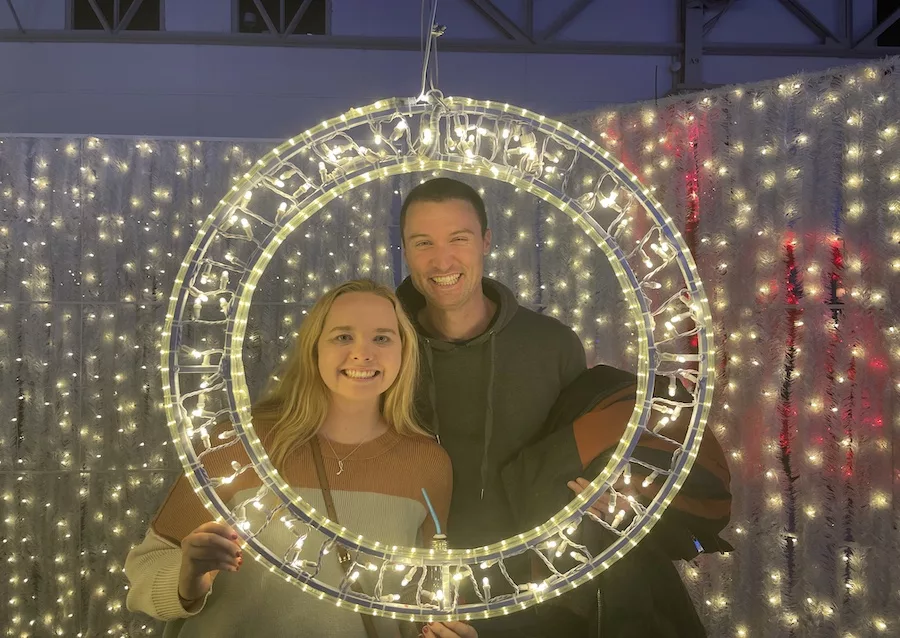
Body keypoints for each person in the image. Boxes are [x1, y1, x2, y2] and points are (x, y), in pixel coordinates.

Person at [124, 279, 473, 638]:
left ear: (404, 351)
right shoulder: (238, 446)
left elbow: (426, 596)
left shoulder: (427, 463)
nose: (363, 353)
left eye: (382, 337)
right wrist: (188, 578)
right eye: (342, 337)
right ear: (314, 350)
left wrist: (443, 631)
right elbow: (146, 565)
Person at [396, 178, 588, 636]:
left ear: (486, 241)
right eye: (423, 243)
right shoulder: (383, 347)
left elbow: (579, 453)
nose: (441, 261)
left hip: (537, 594)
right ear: (405, 249)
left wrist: (596, 490)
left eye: (458, 239)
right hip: (409, 592)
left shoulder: (552, 345)